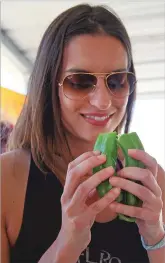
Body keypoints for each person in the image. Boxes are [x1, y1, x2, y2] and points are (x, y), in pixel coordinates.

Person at [1, 4, 165, 263]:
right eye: (80, 81)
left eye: (116, 81)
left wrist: (156, 237)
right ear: (48, 85)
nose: (103, 101)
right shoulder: (7, 181)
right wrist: (68, 240)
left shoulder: (152, 182)